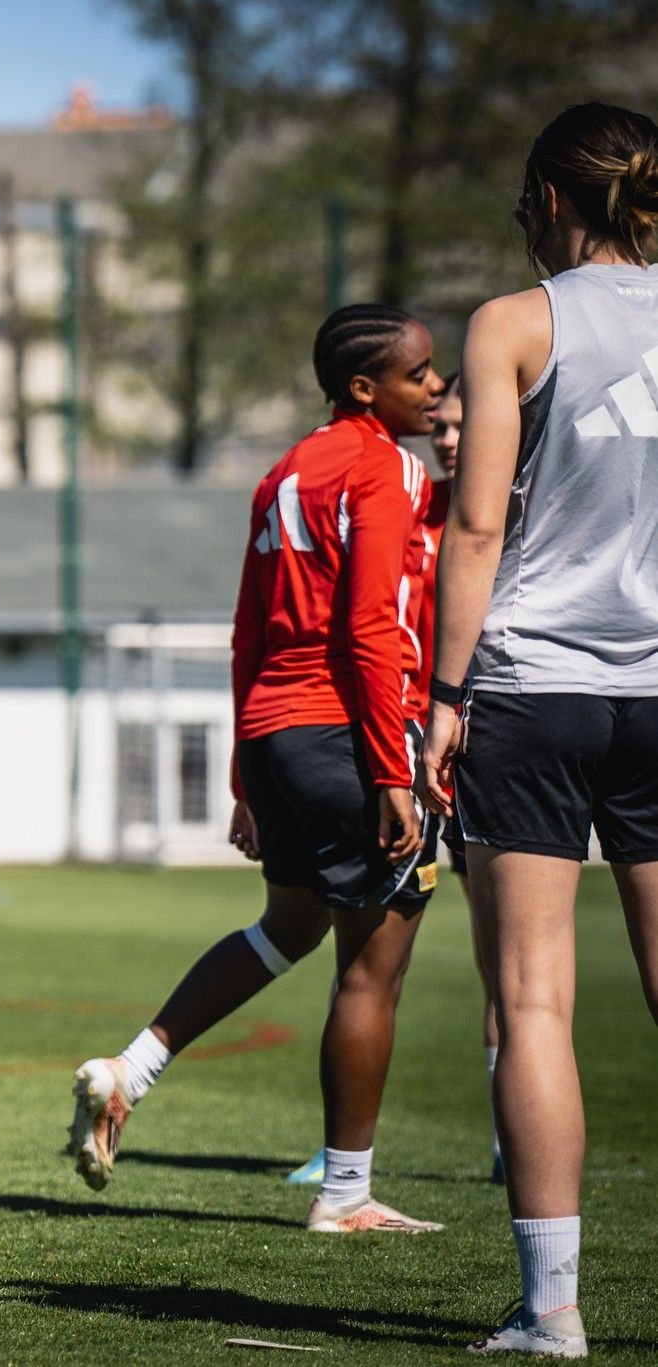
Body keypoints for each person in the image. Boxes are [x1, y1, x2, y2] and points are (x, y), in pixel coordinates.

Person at [67, 305, 446, 1236]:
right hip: (348, 734)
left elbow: (248, 631)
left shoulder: (285, 470)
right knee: (372, 972)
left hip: (279, 732)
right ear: (365, 390)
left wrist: (245, 774)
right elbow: (365, 628)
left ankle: (131, 1069)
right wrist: (393, 769)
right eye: (421, 373)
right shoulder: (384, 465)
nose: (436, 388)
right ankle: (345, 1195)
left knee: (290, 925)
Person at [420, 101, 658, 1358]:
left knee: (534, 1004)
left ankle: (550, 1311)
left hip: (533, 685)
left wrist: (444, 697)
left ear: (551, 201)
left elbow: (472, 529)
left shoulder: (514, 322)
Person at [285, 378, 507, 1189]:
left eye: (461, 424)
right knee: (375, 955)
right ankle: (344, 1148)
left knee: (503, 951)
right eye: (441, 426)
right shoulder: (416, 505)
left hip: (502, 732)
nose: (449, 438)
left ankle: (506, 1138)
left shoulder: (502, 512)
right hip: (429, 740)